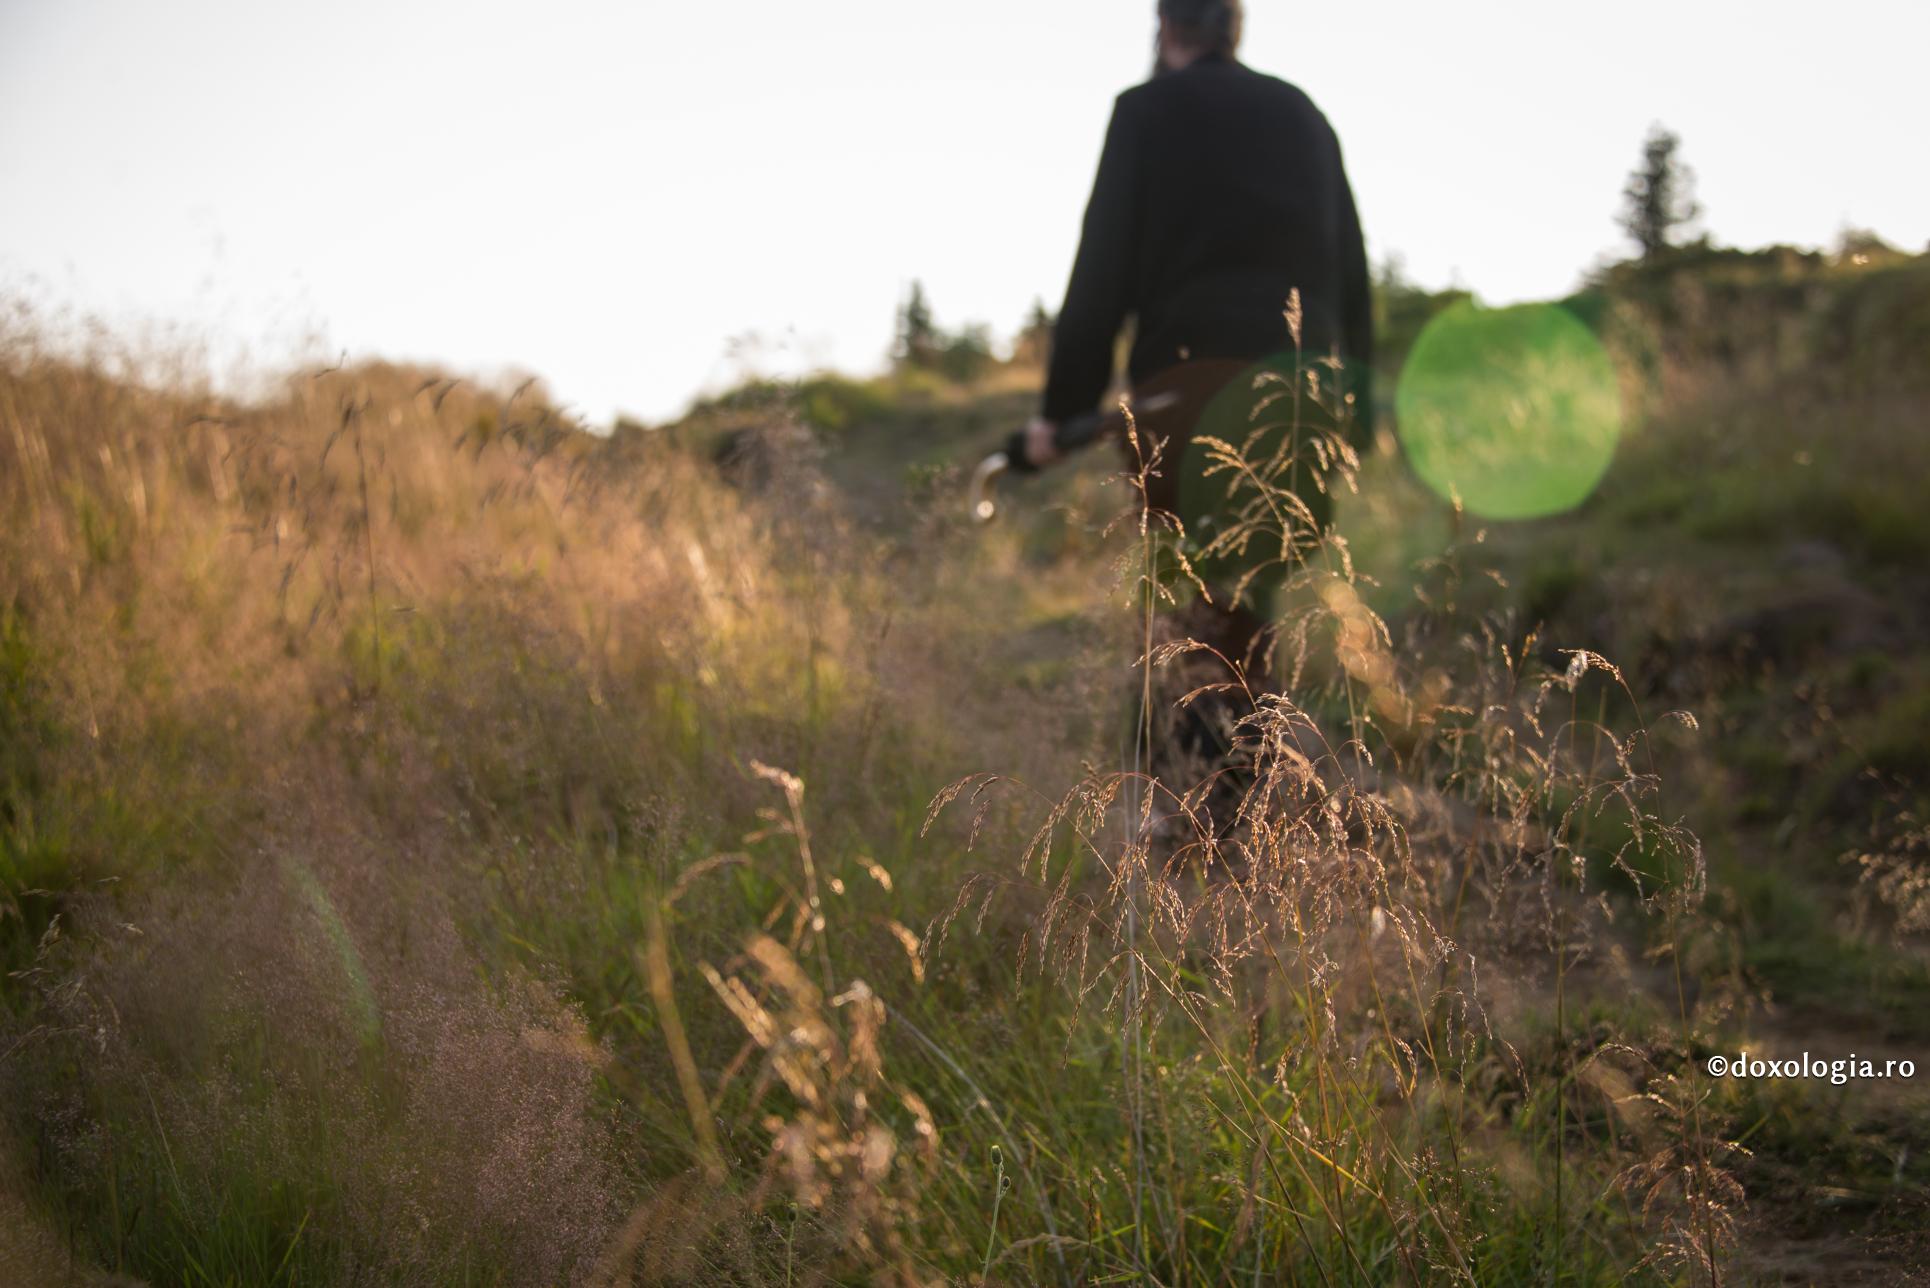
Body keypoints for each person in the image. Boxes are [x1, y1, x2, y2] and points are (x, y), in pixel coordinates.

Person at [1007, 0, 1374, 817]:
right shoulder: (1304, 115)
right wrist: (1357, 413)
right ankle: (1244, 825)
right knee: (1245, 611)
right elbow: (1351, 270)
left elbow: (1100, 266)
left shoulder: (1144, 112)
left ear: (1164, 27)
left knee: (1192, 611)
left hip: (1186, 395)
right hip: (1298, 402)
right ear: (1234, 27)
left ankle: (1202, 838)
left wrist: (1058, 415)